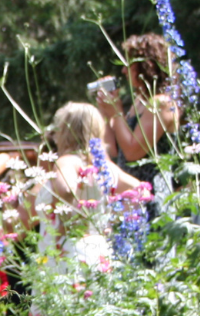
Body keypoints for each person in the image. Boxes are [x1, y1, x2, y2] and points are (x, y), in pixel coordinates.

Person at [34, 103, 142, 268]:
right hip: (99, 251)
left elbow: (66, 189)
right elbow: (139, 190)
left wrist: (67, 224)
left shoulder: (67, 162)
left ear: (64, 131)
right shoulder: (104, 167)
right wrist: (111, 219)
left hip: (66, 253)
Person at [95, 33, 182, 218]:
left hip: (152, 200)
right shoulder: (139, 103)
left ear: (146, 65)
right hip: (129, 200)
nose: (124, 71)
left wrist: (117, 112)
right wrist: (106, 113)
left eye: (129, 65)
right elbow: (115, 150)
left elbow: (133, 152)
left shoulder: (163, 103)